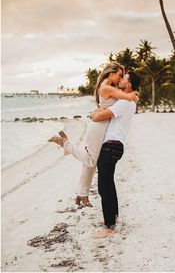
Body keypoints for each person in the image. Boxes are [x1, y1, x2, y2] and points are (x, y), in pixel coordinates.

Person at [48, 63, 138, 206]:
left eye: (122, 77)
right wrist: (134, 95)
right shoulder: (107, 87)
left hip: (102, 125)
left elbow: (118, 101)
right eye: (119, 75)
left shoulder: (110, 87)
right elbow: (129, 97)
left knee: (90, 161)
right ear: (111, 74)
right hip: (99, 126)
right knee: (90, 161)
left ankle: (82, 194)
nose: (120, 78)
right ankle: (64, 142)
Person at [90, 71, 140, 239]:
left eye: (124, 78)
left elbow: (98, 117)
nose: (120, 80)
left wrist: (94, 113)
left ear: (128, 85)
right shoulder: (127, 101)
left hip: (111, 146)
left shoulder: (124, 104)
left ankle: (109, 227)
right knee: (108, 183)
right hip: (115, 145)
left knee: (104, 185)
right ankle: (113, 217)